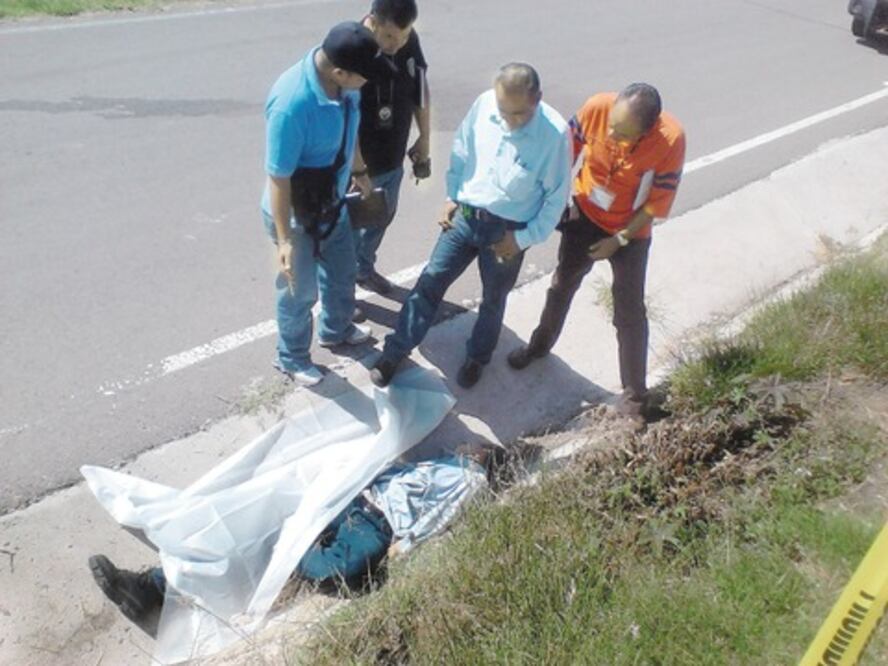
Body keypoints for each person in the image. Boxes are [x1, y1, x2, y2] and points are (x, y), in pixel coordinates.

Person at [87, 454, 489, 637]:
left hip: (375, 526)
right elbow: (392, 468)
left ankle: (167, 605)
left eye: (480, 452)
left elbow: (435, 522)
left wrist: (406, 545)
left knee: (291, 559)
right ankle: (156, 587)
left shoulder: (471, 482)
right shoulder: (446, 463)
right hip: (353, 499)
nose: (473, 449)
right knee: (253, 522)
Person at [369, 63, 572, 389]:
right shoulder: (484, 105)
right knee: (430, 282)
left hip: (508, 230)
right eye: (503, 111)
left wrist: (522, 239)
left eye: (519, 114)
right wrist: (453, 195)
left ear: (538, 99)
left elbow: (556, 198)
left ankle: (478, 357)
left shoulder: (555, 135)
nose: (509, 121)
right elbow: (462, 152)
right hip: (466, 216)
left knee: (493, 298)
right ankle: (396, 351)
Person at [507, 83, 686, 419]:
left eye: (625, 136)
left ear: (647, 133)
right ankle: (539, 345)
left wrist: (618, 240)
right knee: (562, 285)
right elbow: (565, 153)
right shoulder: (597, 108)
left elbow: (657, 202)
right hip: (586, 213)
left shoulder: (671, 140)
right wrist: (554, 199)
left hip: (631, 231)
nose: (614, 137)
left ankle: (635, 398)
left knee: (629, 312)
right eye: (613, 129)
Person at [261, 22, 380, 387]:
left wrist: (358, 168)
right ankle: (292, 357)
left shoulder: (345, 83)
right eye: (362, 77)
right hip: (294, 214)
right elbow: (278, 177)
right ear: (340, 72)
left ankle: (337, 330)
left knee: (343, 271)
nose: (366, 83)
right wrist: (284, 240)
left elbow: (351, 125)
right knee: (300, 292)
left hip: (333, 200)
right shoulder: (291, 104)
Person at [351, 0, 432, 296]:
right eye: (388, 37)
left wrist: (424, 137)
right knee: (346, 231)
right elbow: (344, 115)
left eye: (403, 36)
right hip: (359, 162)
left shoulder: (408, 41)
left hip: (392, 156)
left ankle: (363, 269)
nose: (395, 45)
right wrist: (357, 166)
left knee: (381, 219)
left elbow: (421, 90)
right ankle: (340, 298)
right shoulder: (353, 46)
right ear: (373, 21)